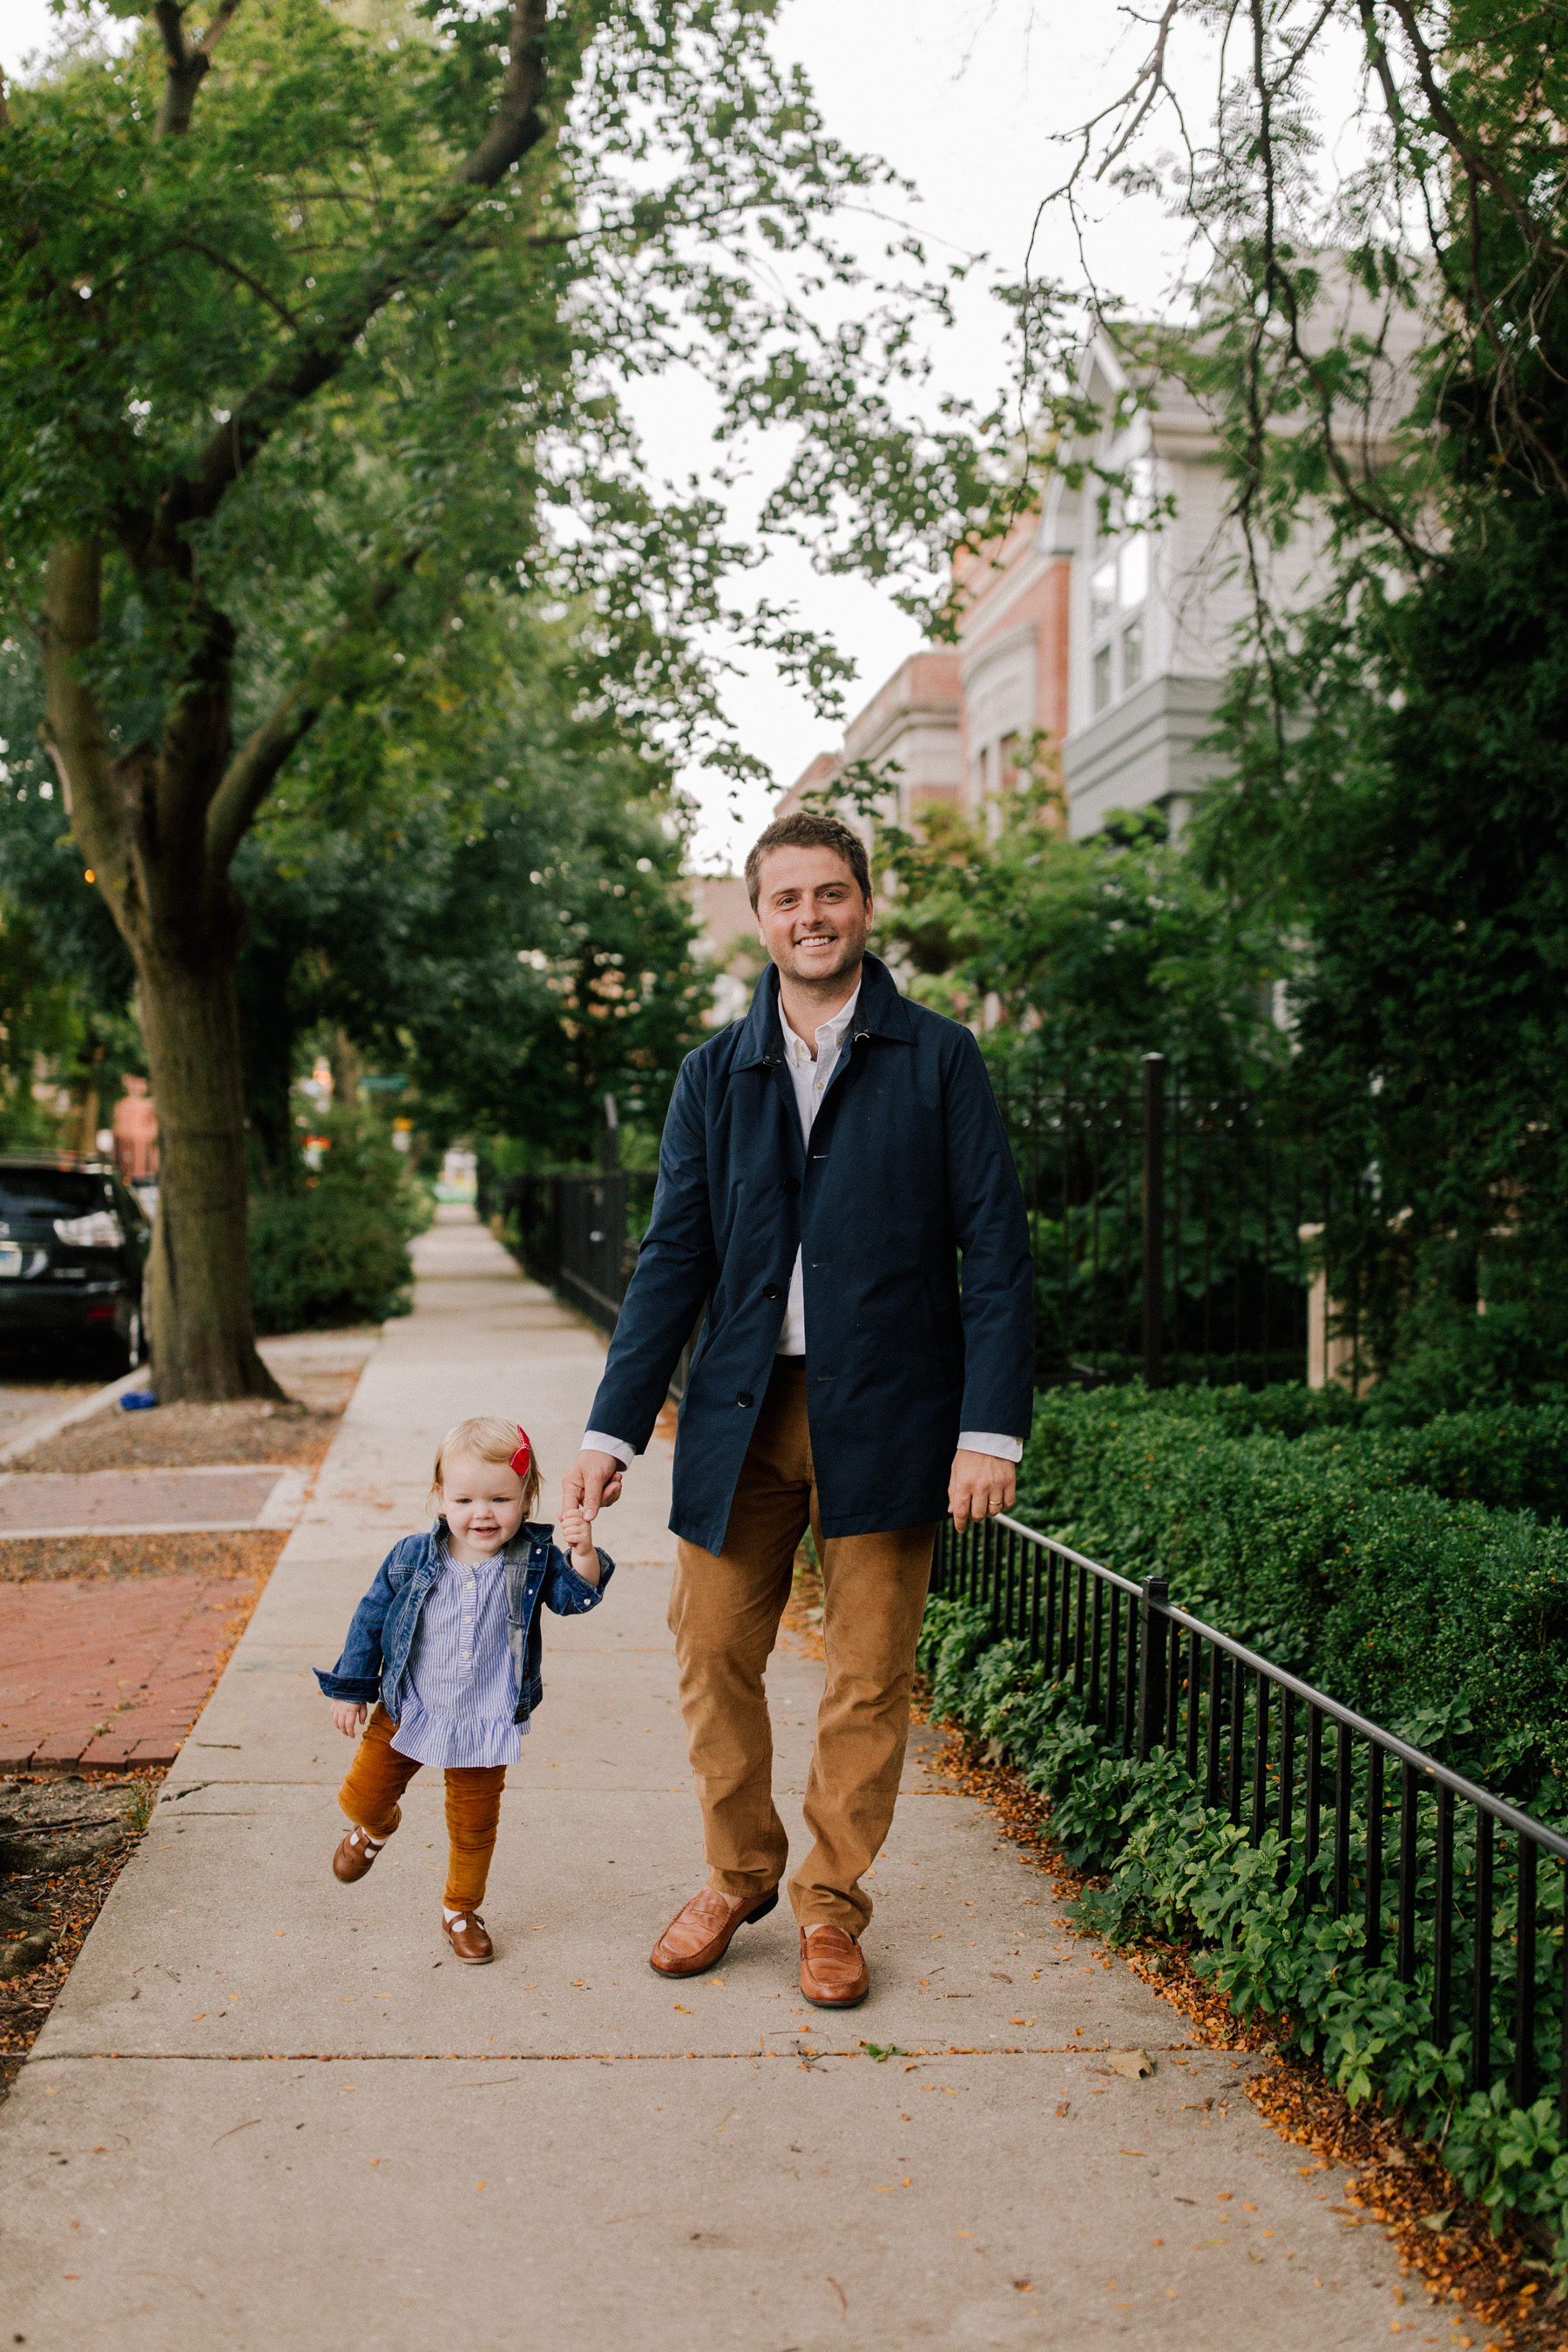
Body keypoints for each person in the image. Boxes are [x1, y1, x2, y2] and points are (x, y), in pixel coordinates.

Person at [564, 809, 1033, 2009]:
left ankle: (830, 1904)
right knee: (712, 1647)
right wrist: (610, 1433)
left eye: (831, 894)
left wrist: (990, 1431)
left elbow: (997, 1250)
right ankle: (738, 1873)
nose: (811, 917)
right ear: (761, 917)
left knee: (868, 1672)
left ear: (863, 905)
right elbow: (673, 1259)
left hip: (892, 1411)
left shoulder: (938, 1059)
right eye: (788, 899)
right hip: (741, 1409)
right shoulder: (714, 1075)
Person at [315, 1416, 612, 1963]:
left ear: (528, 1498)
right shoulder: (411, 1556)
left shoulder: (535, 1557)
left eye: (500, 1498)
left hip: (486, 1717)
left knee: (474, 1828)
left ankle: (461, 1909)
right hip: (411, 1706)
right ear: (439, 1498)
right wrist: (351, 1687)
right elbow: (371, 1619)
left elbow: (576, 1599)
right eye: (466, 1499)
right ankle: (376, 1830)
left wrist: (583, 1553)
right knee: (359, 1796)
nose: (482, 1513)